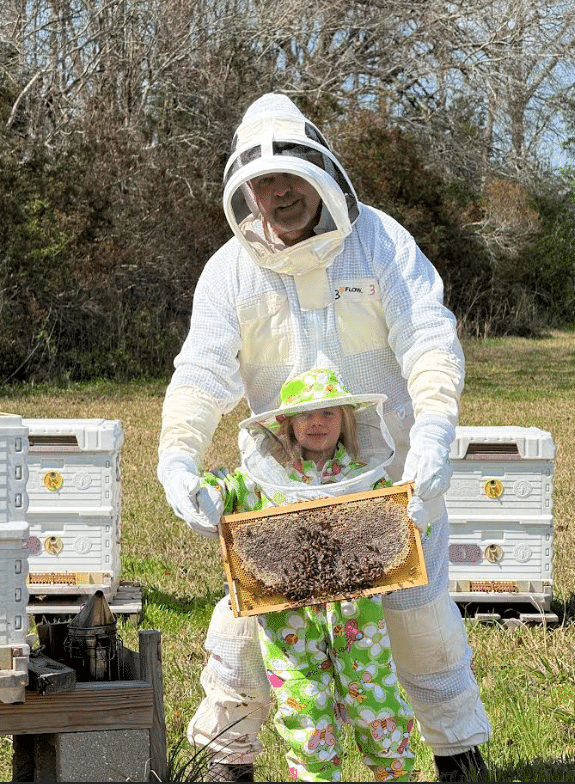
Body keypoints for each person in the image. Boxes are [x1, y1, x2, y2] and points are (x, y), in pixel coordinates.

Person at [158, 93, 491, 783]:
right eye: (263, 183)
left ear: (321, 172)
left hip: (392, 479)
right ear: (243, 191)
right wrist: (177, 457)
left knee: (420, 619)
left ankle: (459, 754)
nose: (278, 194)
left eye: (290, 178)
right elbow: (203, 371)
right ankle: (227, 762)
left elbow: (428, 340)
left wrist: (434, 431)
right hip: (280, 489)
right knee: (247, 624)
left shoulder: (381, 243)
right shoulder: (230, 270)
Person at [194, 367, 415, 782]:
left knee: (378, 706)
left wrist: (415, 514)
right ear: (288, 424)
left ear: (345, 420)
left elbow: (396, 523)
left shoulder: (365, 476)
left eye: (328, 413)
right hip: (288, 622)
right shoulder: (266, 477)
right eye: (306, 415)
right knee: (305, 712)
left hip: (358, 619)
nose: (317, 423)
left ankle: (395, 775)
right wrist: (208, 492)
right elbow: (231, 485)